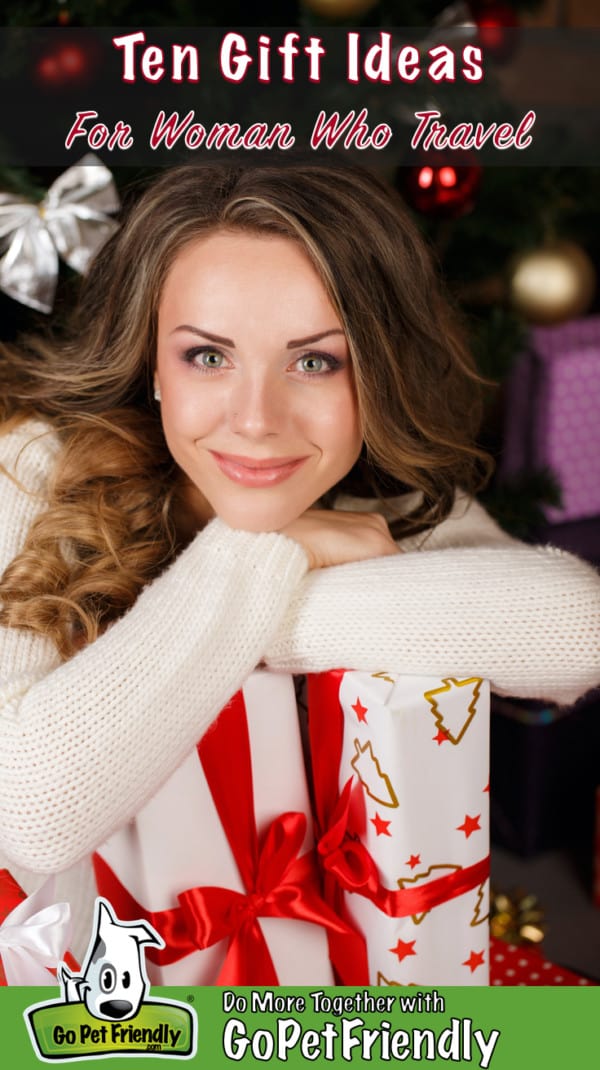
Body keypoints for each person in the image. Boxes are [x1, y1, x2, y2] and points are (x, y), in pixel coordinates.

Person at [0, 161, 599, 956]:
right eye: (207, 357)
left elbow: (579, 632)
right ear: (150, 361)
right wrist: (261, 557)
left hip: (314, 981)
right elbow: (36, 812)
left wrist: (246, 600)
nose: (256, 420)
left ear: (376, 371)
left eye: (315, 360)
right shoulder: (37, 466)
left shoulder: (387, 500)